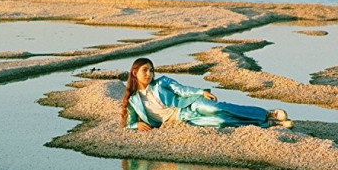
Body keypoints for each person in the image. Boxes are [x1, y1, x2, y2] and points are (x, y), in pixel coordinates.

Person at [121, 57, 293, 131]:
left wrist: (200, 92)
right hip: (183, 118)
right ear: (134, 72)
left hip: (190, 104)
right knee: (220, 121)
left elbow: (181, 89)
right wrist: (136, 126)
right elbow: (128, 124)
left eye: (151, 70)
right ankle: (269, 125)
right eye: (145, 70)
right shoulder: (133, 100)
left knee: (220, 109)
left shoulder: (161, 82)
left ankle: (268, 113)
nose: (149, 74)